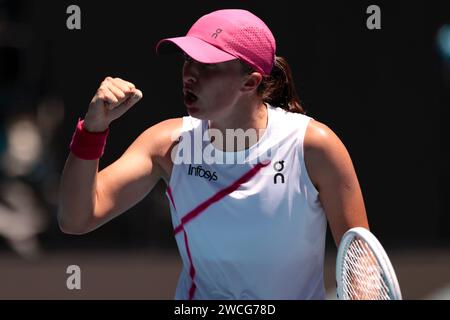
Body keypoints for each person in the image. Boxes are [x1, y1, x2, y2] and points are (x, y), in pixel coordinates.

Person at [58, 9, 369, 300]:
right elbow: (76, 218)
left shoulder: (315, 147)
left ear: (250, 81)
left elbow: (360, 263)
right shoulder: (166, 145)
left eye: (207, 65)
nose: (189, 74)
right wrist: (93, 130)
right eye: (187, 60)